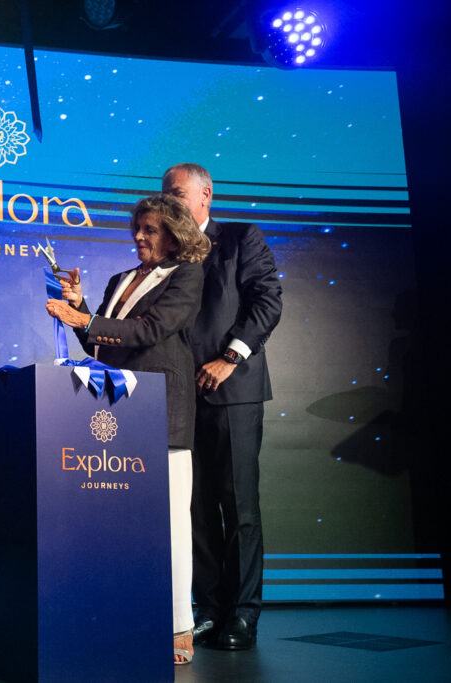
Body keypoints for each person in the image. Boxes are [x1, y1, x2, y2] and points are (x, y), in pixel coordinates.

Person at [46, 193, 209, 665]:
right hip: (117, 414)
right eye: (137, 228)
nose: (138, 236)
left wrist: (86, 318)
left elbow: (150, 331)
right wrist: (80, 307)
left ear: (173, 236)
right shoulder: (120, 280)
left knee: (171, 524)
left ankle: (178, 625)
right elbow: (99, 344)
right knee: (118, 521)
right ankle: (119, 613)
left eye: (150, 230)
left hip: (163, 412)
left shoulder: (186, 275)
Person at [162, 163, 282, 650]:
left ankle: (244, 614)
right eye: (163, 194)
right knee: (195, 511)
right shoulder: (167, 252)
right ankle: (209, 609)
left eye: (175, 193)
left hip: (234, 392)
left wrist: (230, 358)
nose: (167, 202)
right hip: (181, 399)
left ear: (205, 194)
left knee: (239, 507)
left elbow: (267, 301)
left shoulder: (239, 238)